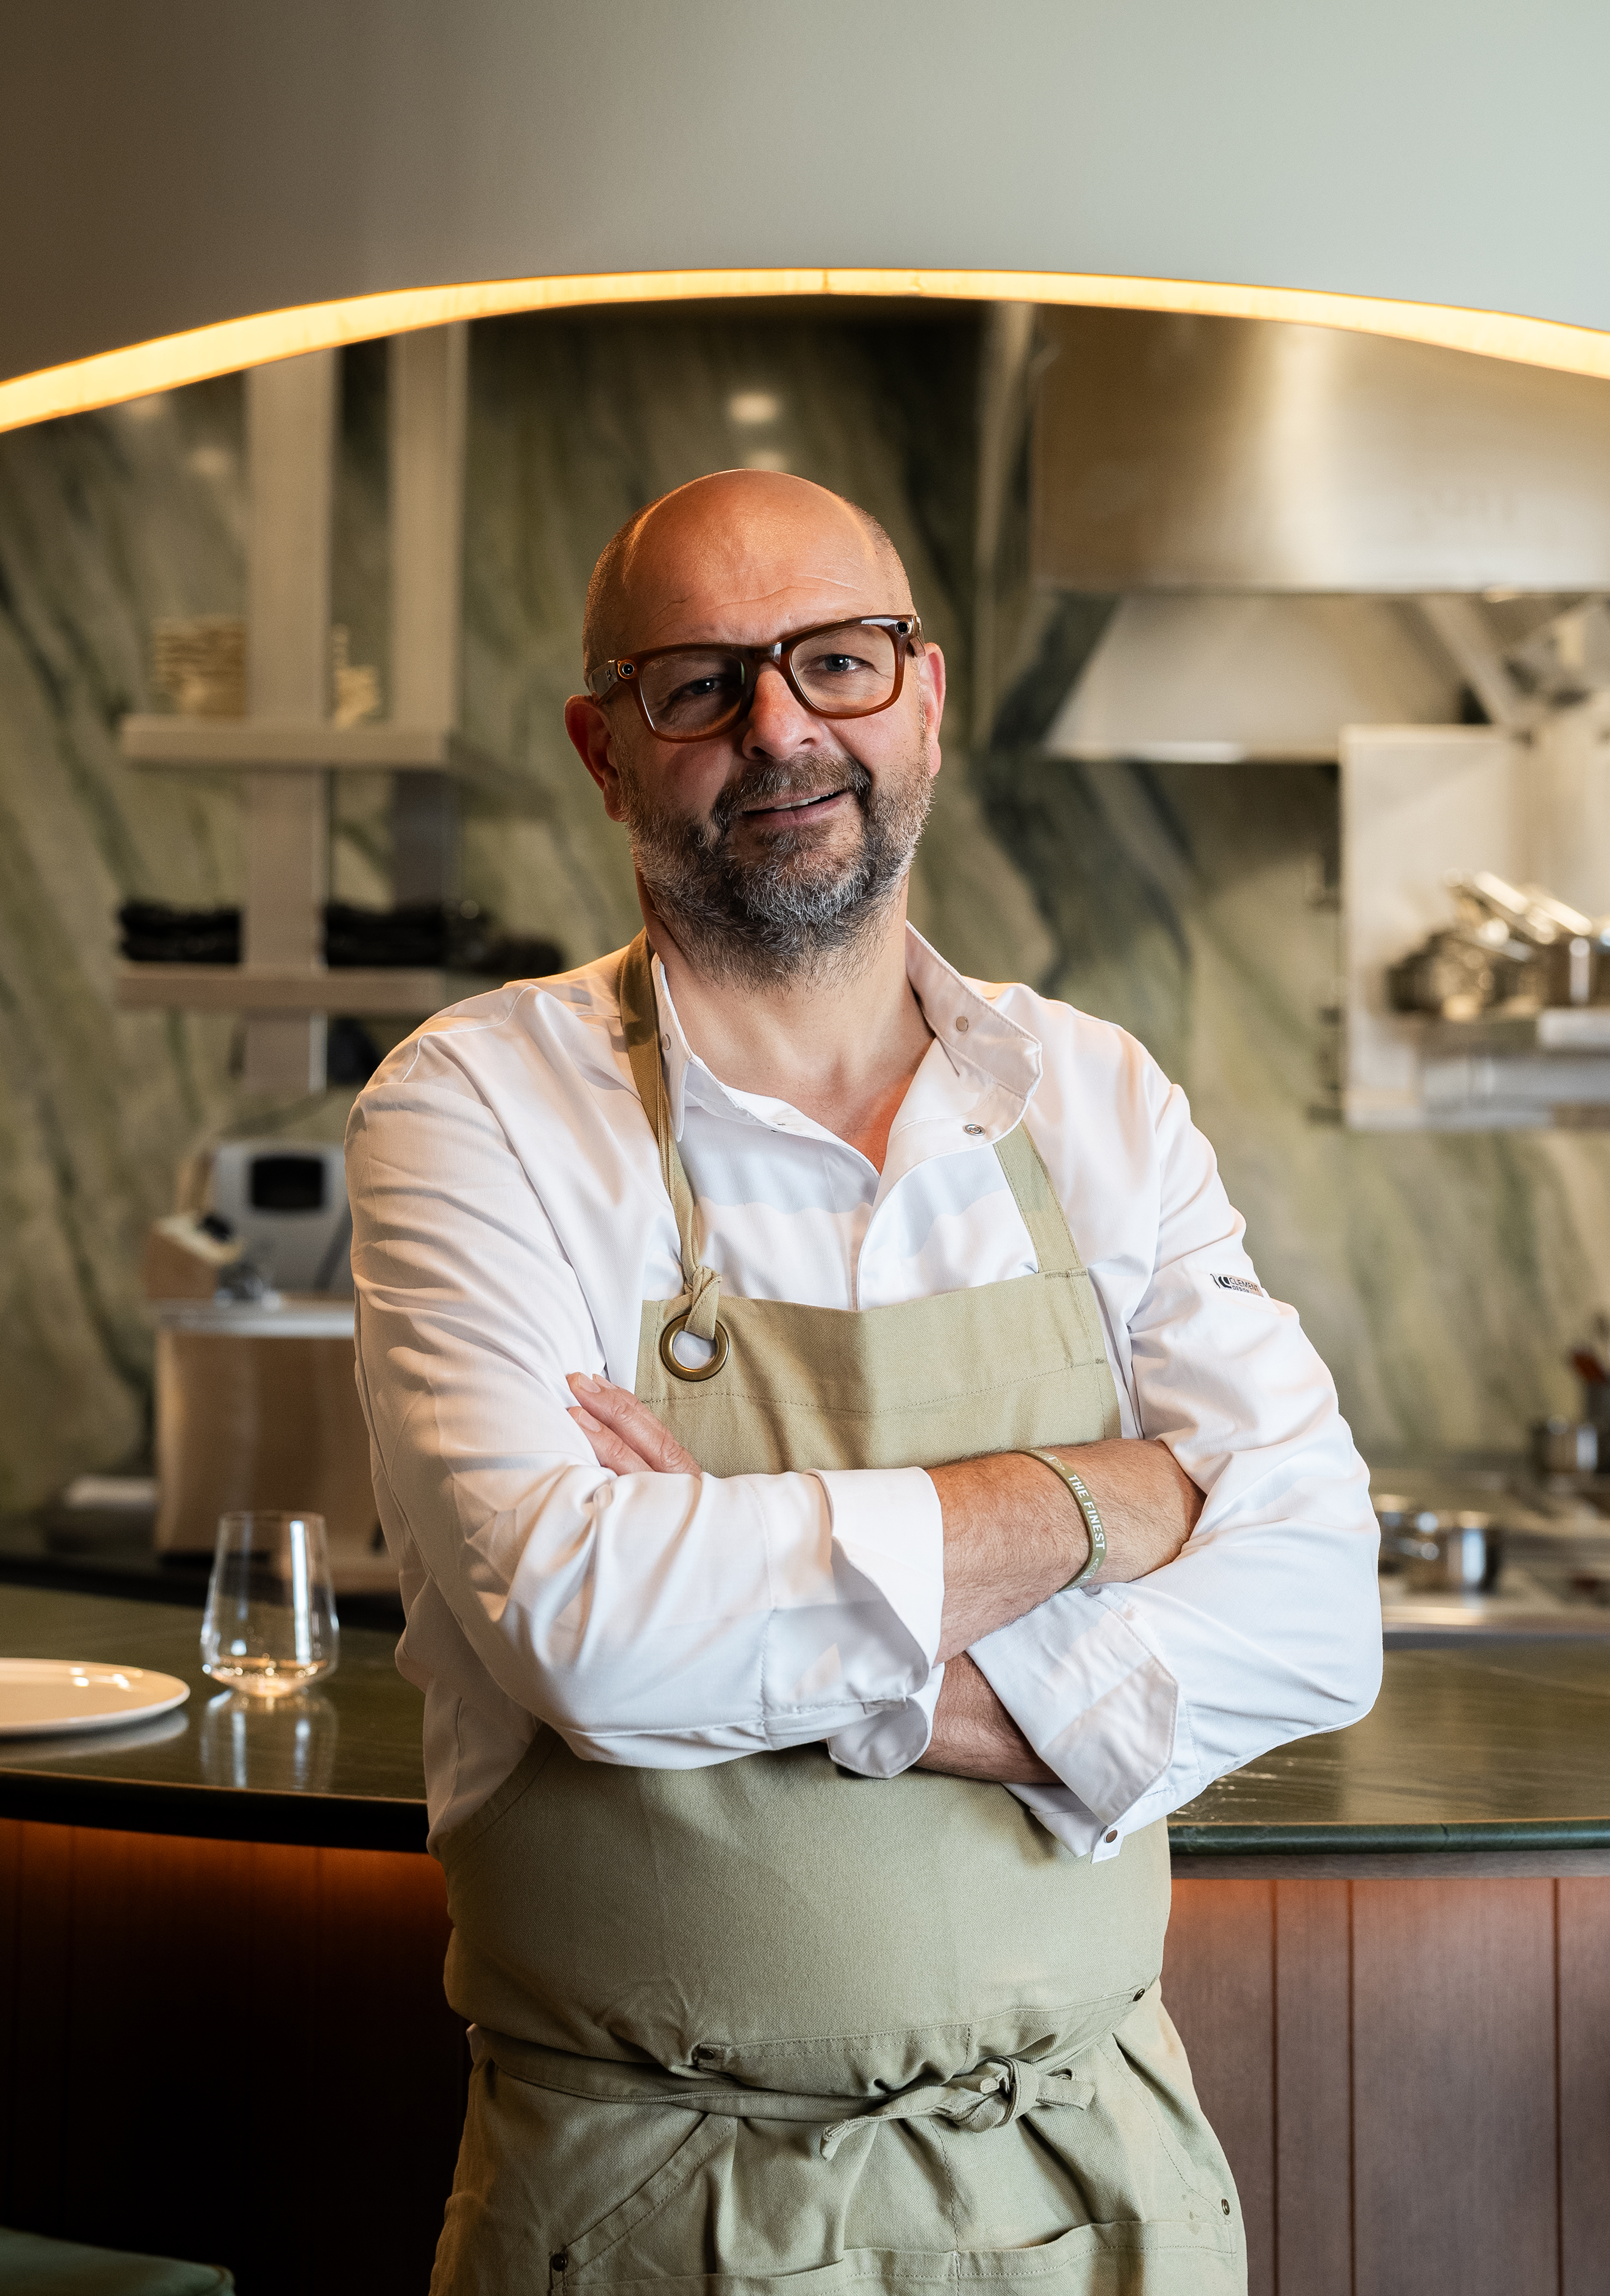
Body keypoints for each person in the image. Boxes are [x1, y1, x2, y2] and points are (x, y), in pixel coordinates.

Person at [347, 468, 1381, 2296]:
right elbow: (589, 1628)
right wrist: (1101, 1500)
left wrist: (798, 1629)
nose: (780, 728)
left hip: (1103, 2189)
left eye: (835, 661)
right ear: (604, 746)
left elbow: (1317, 1609)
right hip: (645, 2211)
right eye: (700, 682)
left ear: (924, 692)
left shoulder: (1103, 1101)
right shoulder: (475, 1107)